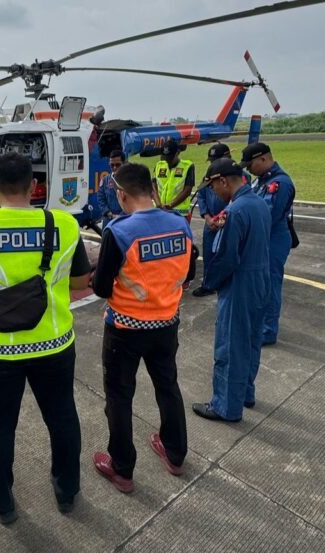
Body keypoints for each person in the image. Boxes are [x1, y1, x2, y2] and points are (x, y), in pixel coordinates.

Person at [0, 152, 91, 524]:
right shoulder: (65, 224)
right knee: (62, 417)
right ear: (34, 186)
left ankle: (3, 495)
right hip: (54, 343)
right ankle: (67, 489)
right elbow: (78, 283)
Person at [92, 163, 192, 492]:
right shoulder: (181, 225)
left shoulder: (119, 232)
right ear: (152, 189)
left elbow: (102, 289)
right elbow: (188, 273)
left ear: (121, 194)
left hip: (126, 328)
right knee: (168, 387)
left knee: (119, 397)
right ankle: (175, 454)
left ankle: (122, 468)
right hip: (167, 324)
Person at [192, 159, 271, 422]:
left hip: (240, 282)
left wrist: (211, 282)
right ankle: (245, 392)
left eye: (213, 186)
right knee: (250, 340)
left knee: (230, 346)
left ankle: (226, 406)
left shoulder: (235, 210)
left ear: (223, 181)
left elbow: (227, 256)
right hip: (261, 278)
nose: (213, 192)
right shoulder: (259, 202)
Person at [241, 142, 296, 346]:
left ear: (263, 159)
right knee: (259, 285)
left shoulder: (279, 184)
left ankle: (268, 330)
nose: (248, 169)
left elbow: (268, 217)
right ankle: (259, 325)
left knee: (269, 286)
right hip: (263, 238)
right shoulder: (261, 181)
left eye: (250, 165)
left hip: (272, 239)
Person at [192, 143, 232, 297]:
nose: (213, 164)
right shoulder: (209, 176)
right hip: (211, 221)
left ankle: (226, 283)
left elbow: (237, 199)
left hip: (228, 221)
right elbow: (201, 195)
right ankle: (209, 284)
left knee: (227, 253)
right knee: (209, 254)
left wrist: (223, 218)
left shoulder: (238, 176)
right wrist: (207, 217)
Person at [152, 138, 194, 217]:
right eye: (165, 157)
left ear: (177, 153)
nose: (167, 161)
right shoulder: (159, 165)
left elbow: (187, 190)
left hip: (179, 213)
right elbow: (153, 186)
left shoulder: (187, 166)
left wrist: (171, 205)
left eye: (170, 158)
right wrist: (158, 204)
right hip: (160, 210)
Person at [97, 150, 126, 228]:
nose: (114, 167)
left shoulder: (130, 181)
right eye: (112, 165)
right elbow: (101, 199)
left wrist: (122, 215)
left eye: (118, 165)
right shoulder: (105, 180)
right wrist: (109, 213)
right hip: (109, 220)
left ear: (124, 164)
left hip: (125, 219)